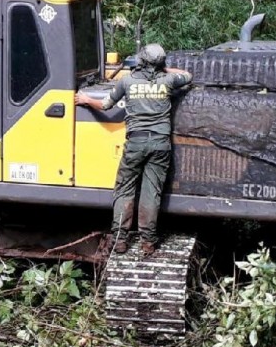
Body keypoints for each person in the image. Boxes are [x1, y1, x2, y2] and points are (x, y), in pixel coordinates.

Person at [75, 44, 192, 256]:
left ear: (141, 61)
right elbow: (187, 75)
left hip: (136, 143)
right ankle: (148, 242)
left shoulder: (127, 81)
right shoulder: (168, 80)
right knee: (151, 193)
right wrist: (163, 69)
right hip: (161, 144)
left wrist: (86, 99)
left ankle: (120, 241)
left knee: (125, 190)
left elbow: (105, 105)